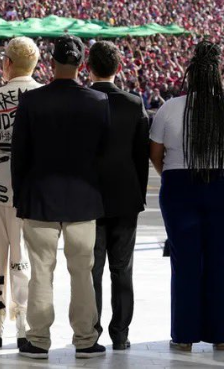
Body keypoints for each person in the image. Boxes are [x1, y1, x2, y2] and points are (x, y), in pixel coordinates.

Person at [11, 35, 109, 359]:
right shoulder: (97, 101)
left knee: (41, 271)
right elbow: (103, 154)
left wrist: (20, 197)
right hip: (83, 198)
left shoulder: (32, 101)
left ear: (51, 63)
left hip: (40, 197)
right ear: (82, 65)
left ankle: (38, 339)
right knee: (83, 272)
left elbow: (19, 156)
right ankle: (85, 338)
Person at [150, 41, 224, 351]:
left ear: (190, 76)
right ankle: (220, 334)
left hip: (179, 185)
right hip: (220, 183)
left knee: (185, 262)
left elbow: (156, 154)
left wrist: (172, 174)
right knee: (220, 260)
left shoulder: (170, 107)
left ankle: (184, 335)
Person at [0, 37, 42, 348]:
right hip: (30, 188)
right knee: (23, 259)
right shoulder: (43, 95)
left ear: (7, 64)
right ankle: (24, 327)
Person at [88, 41, 150, 350]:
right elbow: (141, 156)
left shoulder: (82, 102)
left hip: (89, 199)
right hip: (126, 196)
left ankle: (92, 333)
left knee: (93, 271)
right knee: (122, 270)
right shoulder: (133, 103)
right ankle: (121, 334)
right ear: (119, 68)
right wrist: (139, 194)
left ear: (89, 68)